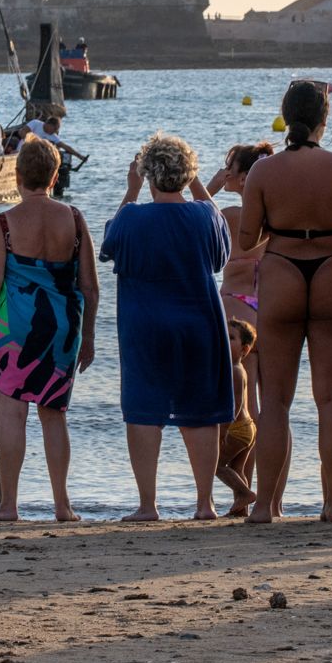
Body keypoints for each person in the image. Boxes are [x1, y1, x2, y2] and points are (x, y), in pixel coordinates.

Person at [237, 80, 332, 523]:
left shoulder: (263, 172)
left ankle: (263, 507)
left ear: (285, 114)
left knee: (274, 400)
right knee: (331, 397)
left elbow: (248, 236)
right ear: (324, 119)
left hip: (282, 270)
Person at [103, 132, 234, 522]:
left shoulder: (132, 217)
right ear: (187, 173)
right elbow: (221, 251)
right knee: (202, 410)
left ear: (148, 175)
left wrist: (130, 191)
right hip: (198, 321)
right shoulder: (203, 216)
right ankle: (204, 503)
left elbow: (110, 245)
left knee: (144, 409)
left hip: (145, 324)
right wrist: (199, 185)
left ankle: (148, 504)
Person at [0, 137, 97, 523]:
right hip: (62, 329)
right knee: (53, 414)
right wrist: (88, 336)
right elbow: (89, 285)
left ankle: (9, 506)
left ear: (17, 174)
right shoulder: (73, 218)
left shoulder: (5, 223)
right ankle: (62, 504)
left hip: (13, 330)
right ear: (56, 175)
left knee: (12, 417)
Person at [209, 142, 274, 326]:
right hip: (271, 306)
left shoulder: (231, 216)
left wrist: (210, 188)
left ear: (244, 178)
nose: (224, 170)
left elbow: (188, 224)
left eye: (229, 166)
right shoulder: (277, 217)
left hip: (235, 302)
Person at [216, 320, 261, 516]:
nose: (225, 340)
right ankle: (242, 509)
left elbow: (234, 406)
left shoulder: (235, 370)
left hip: (236, 428)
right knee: (236, 468)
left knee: (216, 465)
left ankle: (245, 493)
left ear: (244, 349)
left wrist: (223, 431)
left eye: (231, 338)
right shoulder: (236, 369)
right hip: (247, 428)